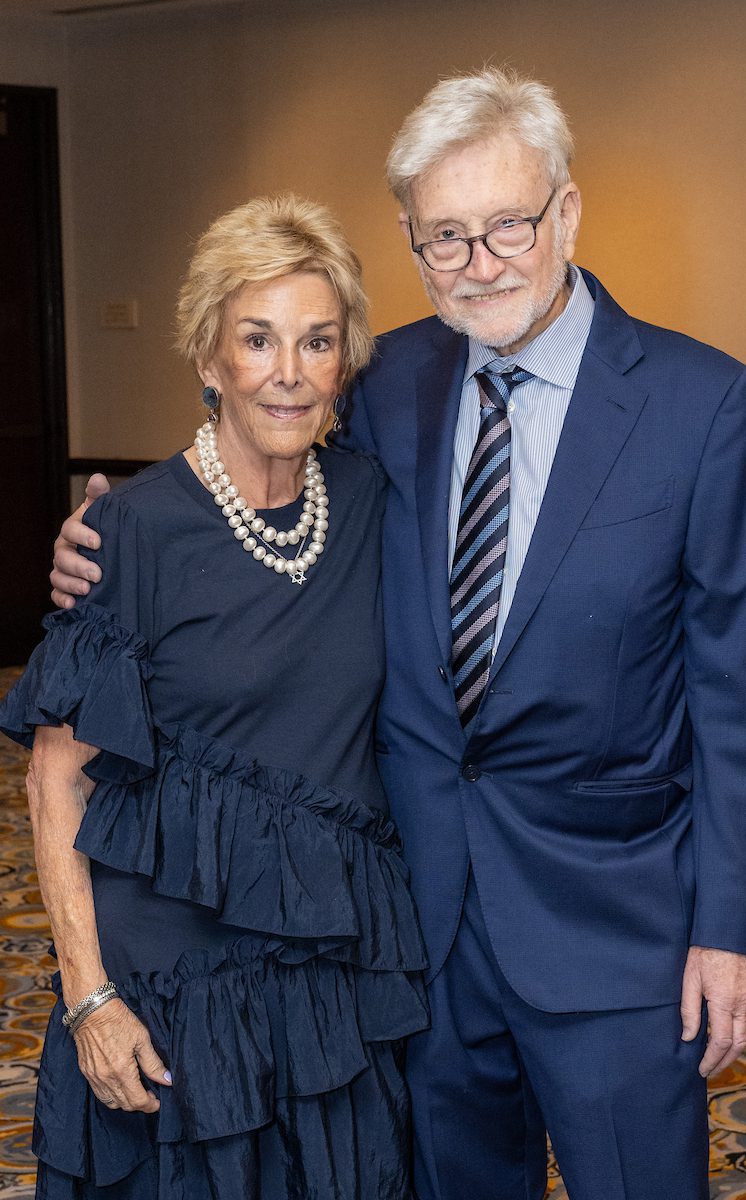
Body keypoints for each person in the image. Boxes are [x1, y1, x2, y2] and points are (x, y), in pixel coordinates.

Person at [50, 69, 746, 1200]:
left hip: (619, 934)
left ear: (566, 214)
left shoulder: (703, 404)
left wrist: (726, 932)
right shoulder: (385, 378)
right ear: (408, 239)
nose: (479, 261)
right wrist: (106, 532)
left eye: (505, 225)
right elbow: (256, 436)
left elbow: (735, 698)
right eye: (445, 236)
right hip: (411, 934)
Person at [2, 193, 428, 1200]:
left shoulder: (371, 501)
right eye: (258, 338)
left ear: (343, 364)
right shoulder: (132, 534)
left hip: (329, 970)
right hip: (170, 982)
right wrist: (87, 995)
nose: (288, 371)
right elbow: (54, 785)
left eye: (316, 341)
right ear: (208, 359)